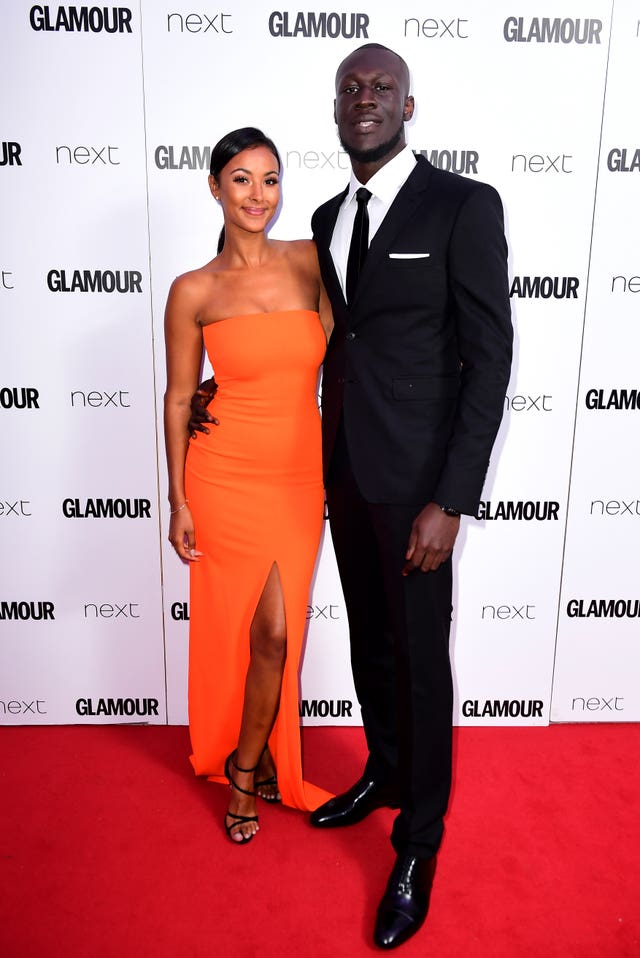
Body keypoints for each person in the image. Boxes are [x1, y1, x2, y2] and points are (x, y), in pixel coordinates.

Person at [190, 44, 512, 947]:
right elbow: (307, 335)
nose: (363, 101)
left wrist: (453, 497)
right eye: (348, 90)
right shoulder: (328, 218)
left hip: (419, 492)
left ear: (411, 103)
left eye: (379, 89)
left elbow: (489, 359)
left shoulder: (463, 204)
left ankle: (418, 842)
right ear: (336, 109)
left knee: (419, 657)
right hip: (336, 477)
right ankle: (384, 771)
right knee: (372, 643)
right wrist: (219, 389)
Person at [164, 127, 333, 846]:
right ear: (213, 187)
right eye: (241, 179)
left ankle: (249, 757)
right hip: (224, 474)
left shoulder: (312, 261)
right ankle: (243, 773)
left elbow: (357, 343)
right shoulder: (193, 289)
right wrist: (177, 498)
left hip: (299, 472)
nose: (258, 195)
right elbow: (178, 397)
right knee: (252, 630)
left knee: (278, 633)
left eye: (269, 179)